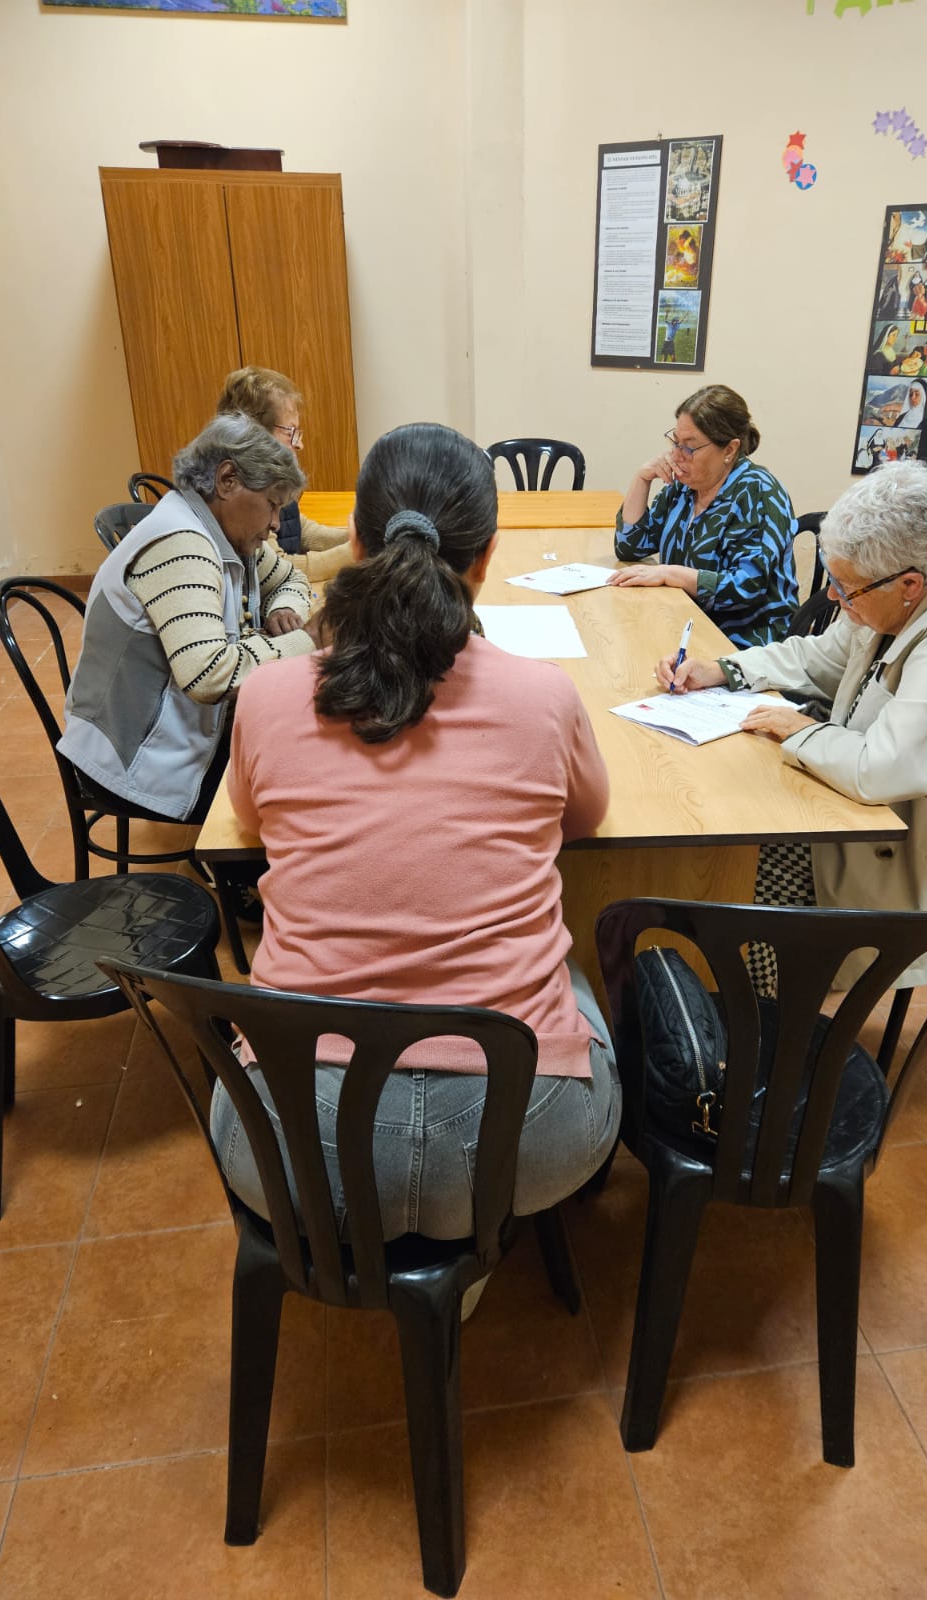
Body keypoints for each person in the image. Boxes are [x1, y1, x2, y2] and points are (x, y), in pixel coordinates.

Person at [209, 422, 621, 1242]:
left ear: (356, 544)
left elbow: (250, 824)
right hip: (526, 1131)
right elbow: (586, 816)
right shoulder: (544, 697)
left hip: (292, 1136)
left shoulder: (267, 695)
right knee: (575, 974)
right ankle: (470, 1247)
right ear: (488, 555)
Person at [654, 460, 927, 990]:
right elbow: (818, 658)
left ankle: (766, 1010)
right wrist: (724, 669)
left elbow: (882, 771)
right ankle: (746, 999)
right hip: (895, 816)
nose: (835, 599)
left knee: (755, 869)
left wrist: (798, 729)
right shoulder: (895, 603)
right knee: (745, 836)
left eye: (846, 588)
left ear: (909, 583)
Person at [59, 413, 317, 823]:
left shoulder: (224, 531)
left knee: (303, 744)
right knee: (303, 782)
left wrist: (283, 608)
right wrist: (309, 639)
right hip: (136, 764)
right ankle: (247, 863)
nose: (273, 524)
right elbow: (208, 676)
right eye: (271, 504)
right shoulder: (182, 544)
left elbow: (291, 578)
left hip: (177, 740)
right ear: (227, 480)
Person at [609, 384, 798, 646]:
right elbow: (630, 547)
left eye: (689, 447)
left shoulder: (758, 494)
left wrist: (671, 574)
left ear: (729, 450)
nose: (677, 455)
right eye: (675, 442)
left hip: (744, 643)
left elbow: (745, 588)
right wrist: (642, 478)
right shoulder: (684, 486)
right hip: (681, 623)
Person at [215, 366, 351, 581]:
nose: (300, 444)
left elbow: (299, 528)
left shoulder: (272, 480)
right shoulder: (241, 493)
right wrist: (353, 552)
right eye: (291, 432)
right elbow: (279, 568)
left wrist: (358, 535)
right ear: (255, 433)